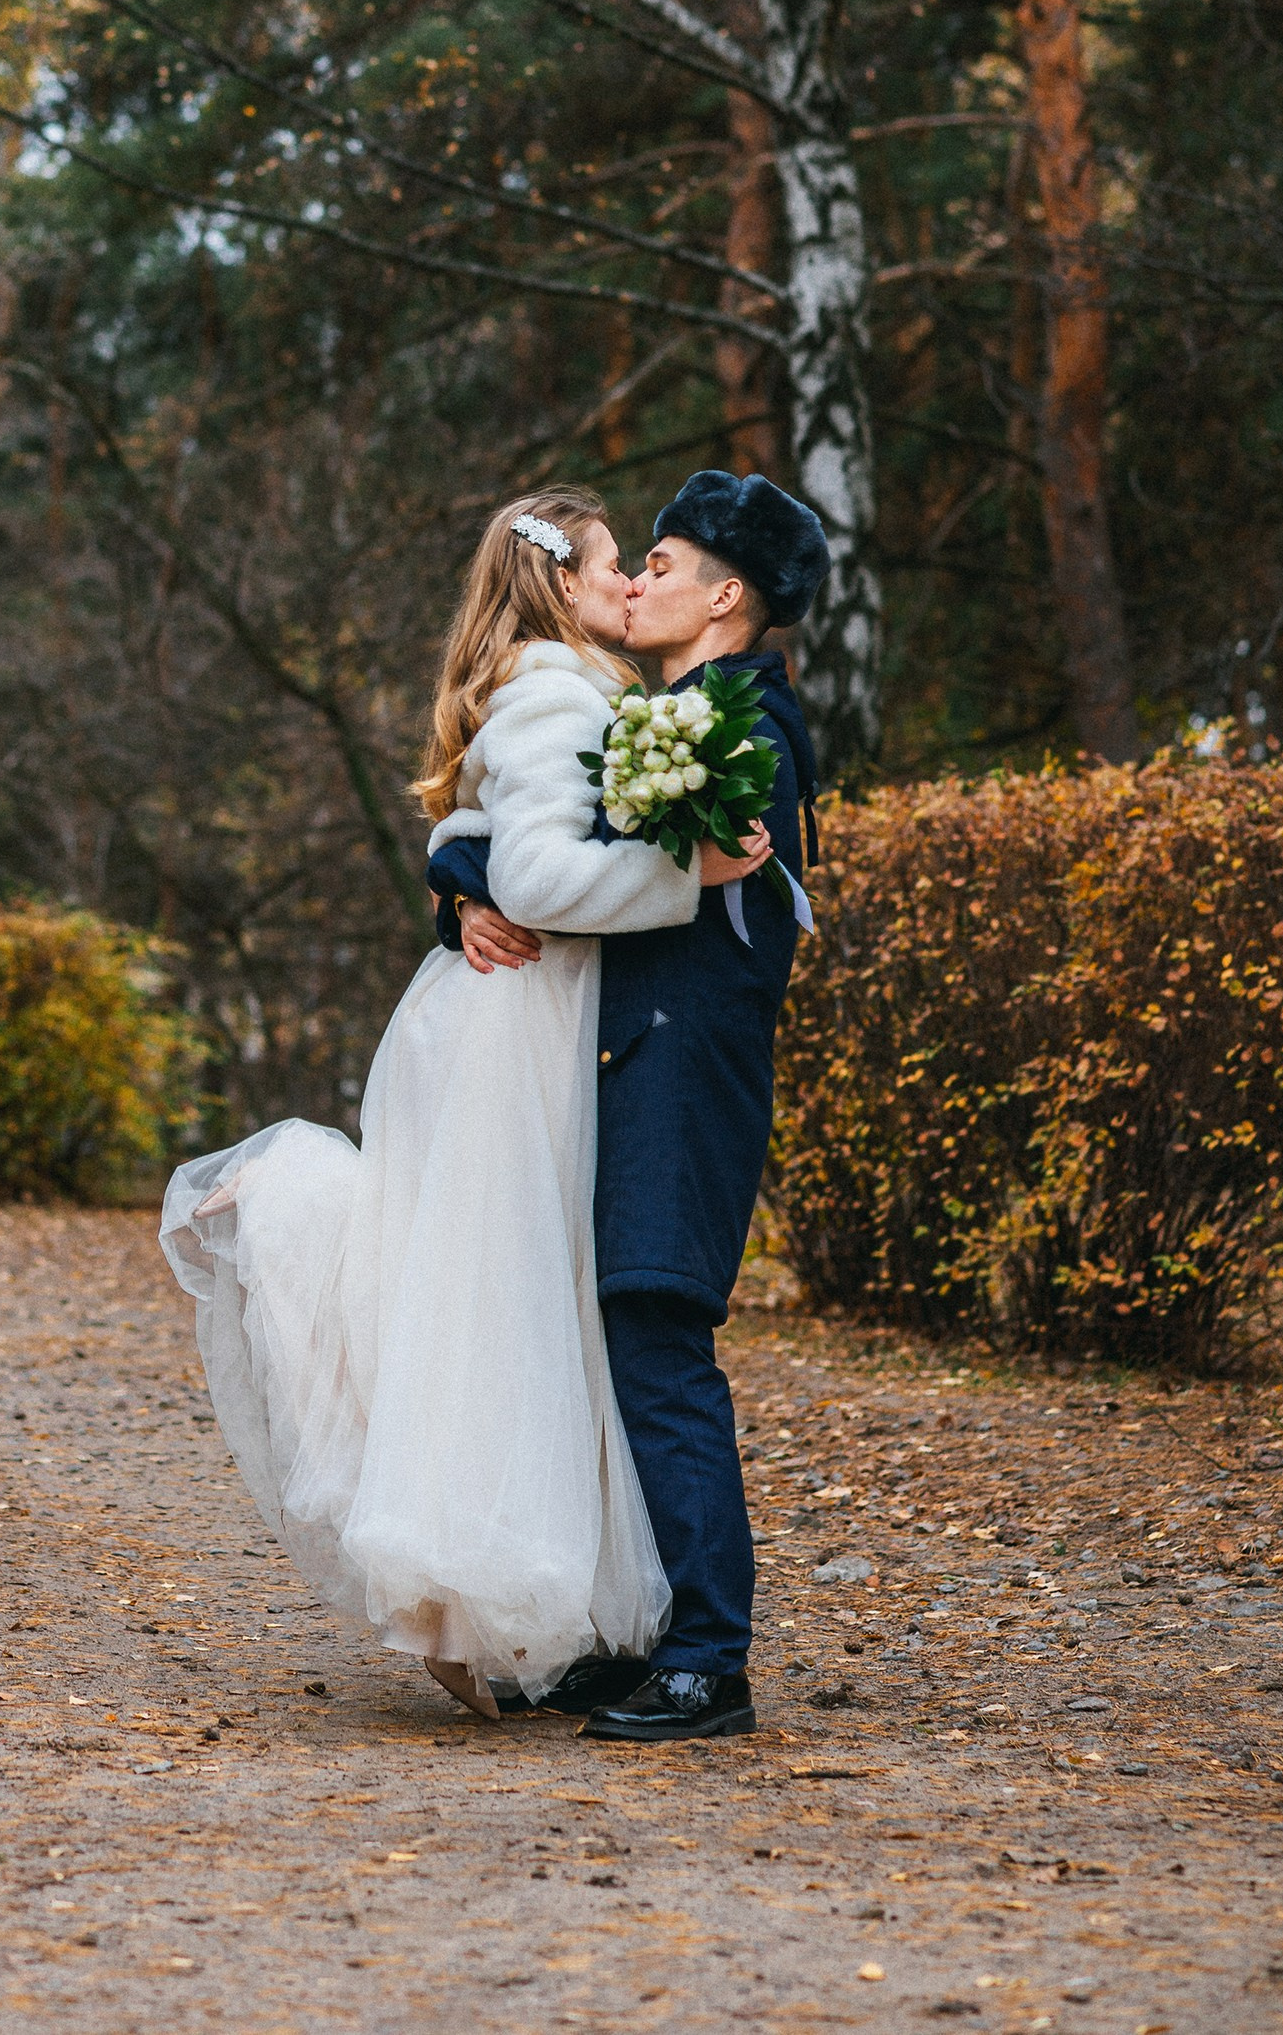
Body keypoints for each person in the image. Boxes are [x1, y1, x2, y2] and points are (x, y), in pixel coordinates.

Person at [159, 489, 770, 1719]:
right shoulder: (558, 688)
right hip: (519, 1025)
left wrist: (456, 870)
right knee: (497, 1294)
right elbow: (540, 869)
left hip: (499, 1015)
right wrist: (683, 872)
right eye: (611, 564)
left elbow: (482, 829)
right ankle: (485, 1577)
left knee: (479, 1287)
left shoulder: (563, 687)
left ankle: (509, 1601)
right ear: (558, 583)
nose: (627, 583)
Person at [430, 468, 829, 1745]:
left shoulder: (750, 723)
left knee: (659, 1344)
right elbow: (524, 819)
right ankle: (643, 1635)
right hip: (618, 1068)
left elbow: (689, 878)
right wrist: (459, 878)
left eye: (661, 562)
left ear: (726, 594)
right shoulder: (655, 708)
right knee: (616, 1347)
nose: (639, 579)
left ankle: (711, 1653)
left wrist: (526, 877)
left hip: (682, 1071)